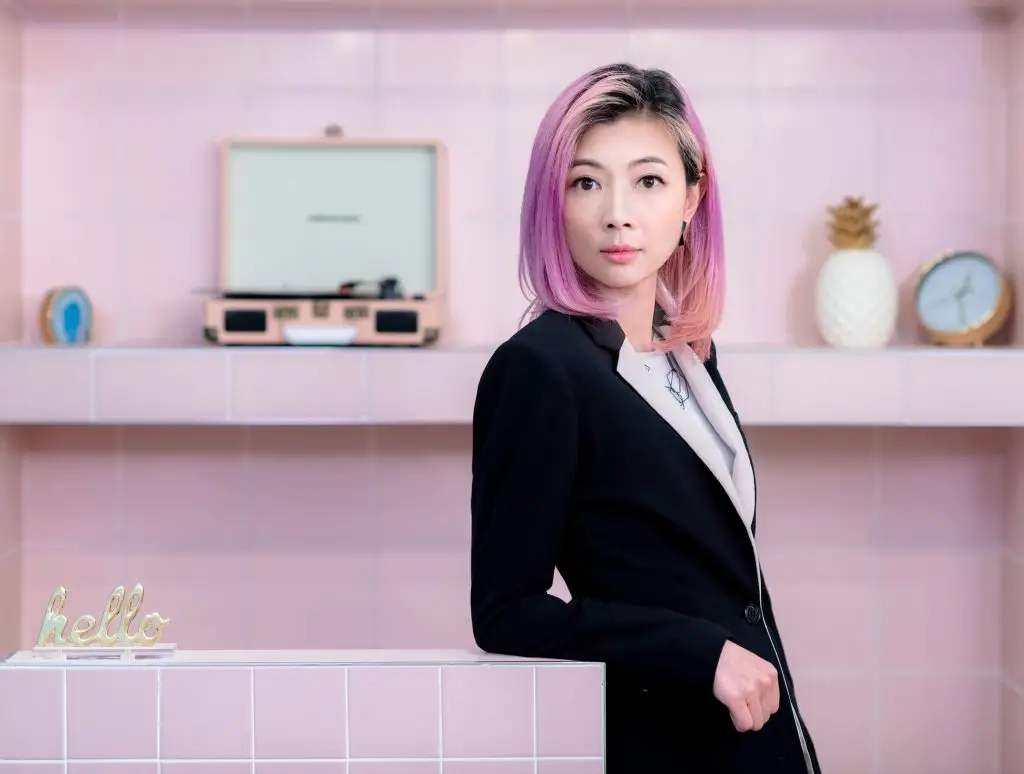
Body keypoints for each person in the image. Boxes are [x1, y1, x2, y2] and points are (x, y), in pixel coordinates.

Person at [469, 63, 822, 774]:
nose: (617, 214)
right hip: (664, 740)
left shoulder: (686, 351)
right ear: (553, 202)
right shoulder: (540, 369)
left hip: (756, 739)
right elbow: (506, 612)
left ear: (693, 198)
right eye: (586, 182)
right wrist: (699, 652)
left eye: (649, 181)